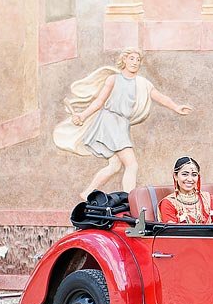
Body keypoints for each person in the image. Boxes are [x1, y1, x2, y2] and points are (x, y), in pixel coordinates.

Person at [53, 48, 194, 200]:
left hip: (121, 125)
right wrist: (83, 115)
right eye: (131, 58)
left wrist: (175, 106)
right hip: (110, 121)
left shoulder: (142, 83)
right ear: (124, 60)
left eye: (137, 59)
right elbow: (99, 102)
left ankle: (87, 192)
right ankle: (130, 200)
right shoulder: (113, 79)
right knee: (132, 165)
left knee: (114, 166)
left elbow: (159, 97)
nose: (135, 62)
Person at [158, 156, 213, 224]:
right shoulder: (168, 203)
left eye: (194, 175)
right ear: (175, 176)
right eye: (185, 174)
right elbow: (172, 231)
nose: (190, 179)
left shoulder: (207, 198)